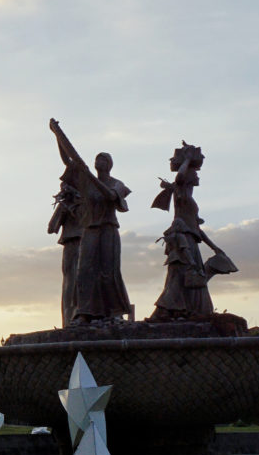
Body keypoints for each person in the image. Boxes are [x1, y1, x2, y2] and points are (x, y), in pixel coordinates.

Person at [49, 118, 132, 322]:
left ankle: (113, 313)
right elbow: (69, 161)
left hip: (108, 229)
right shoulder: (86, 182)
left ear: (109, 164)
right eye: (96, 159)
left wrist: (93, 180)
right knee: (85, 271)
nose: (98, 161)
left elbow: (113, 197)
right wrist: (57, 135)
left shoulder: (116, 183)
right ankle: (85, 312)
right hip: (90, 230)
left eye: (102, 159)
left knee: (108, 270)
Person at [149, 141, 235, 321]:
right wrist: (186, 160)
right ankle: (164, 311)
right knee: (179, 277)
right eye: (195, 173)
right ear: (189, 175)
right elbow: (179, 179)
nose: (198, 177)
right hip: (182, 241)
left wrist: (215, 247)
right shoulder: (181, 195)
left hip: (191, 240)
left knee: (191, 278)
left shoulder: (191, 200)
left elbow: (197, 229)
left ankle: (187, 310)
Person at [47, 179, 83, 327]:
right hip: (69, 245)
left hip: (84, 244)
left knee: (82, 280)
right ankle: (69, 319)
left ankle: (81, 316)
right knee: (70, 282)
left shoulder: (84, 204)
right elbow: (51, 228)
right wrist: (63, 210)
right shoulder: (63, 206)